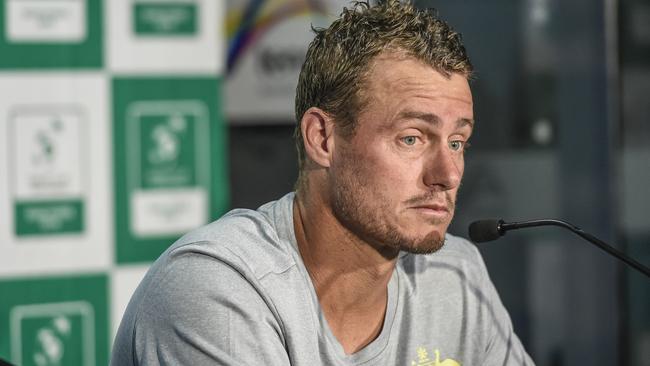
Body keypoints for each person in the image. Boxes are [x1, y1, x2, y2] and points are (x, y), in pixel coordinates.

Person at [111, 1, 535, 365]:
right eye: (412, 138)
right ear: (323, 138)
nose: (447, 174)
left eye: (458, 142)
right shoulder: (216, 287)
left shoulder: (454, 275)